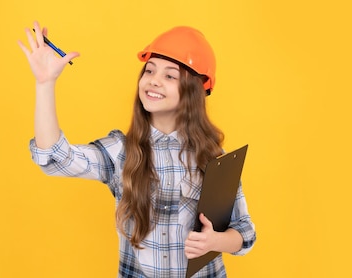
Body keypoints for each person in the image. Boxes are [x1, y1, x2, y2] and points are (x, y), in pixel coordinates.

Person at [17, 21, 256, 277]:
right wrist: (45, 84)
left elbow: (244, 231)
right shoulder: (121, 151)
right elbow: (54, 159)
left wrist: (215, 242)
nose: (153, 81)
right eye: (149, 71)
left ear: (193, 90)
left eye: (169, 75)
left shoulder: (212, 157)